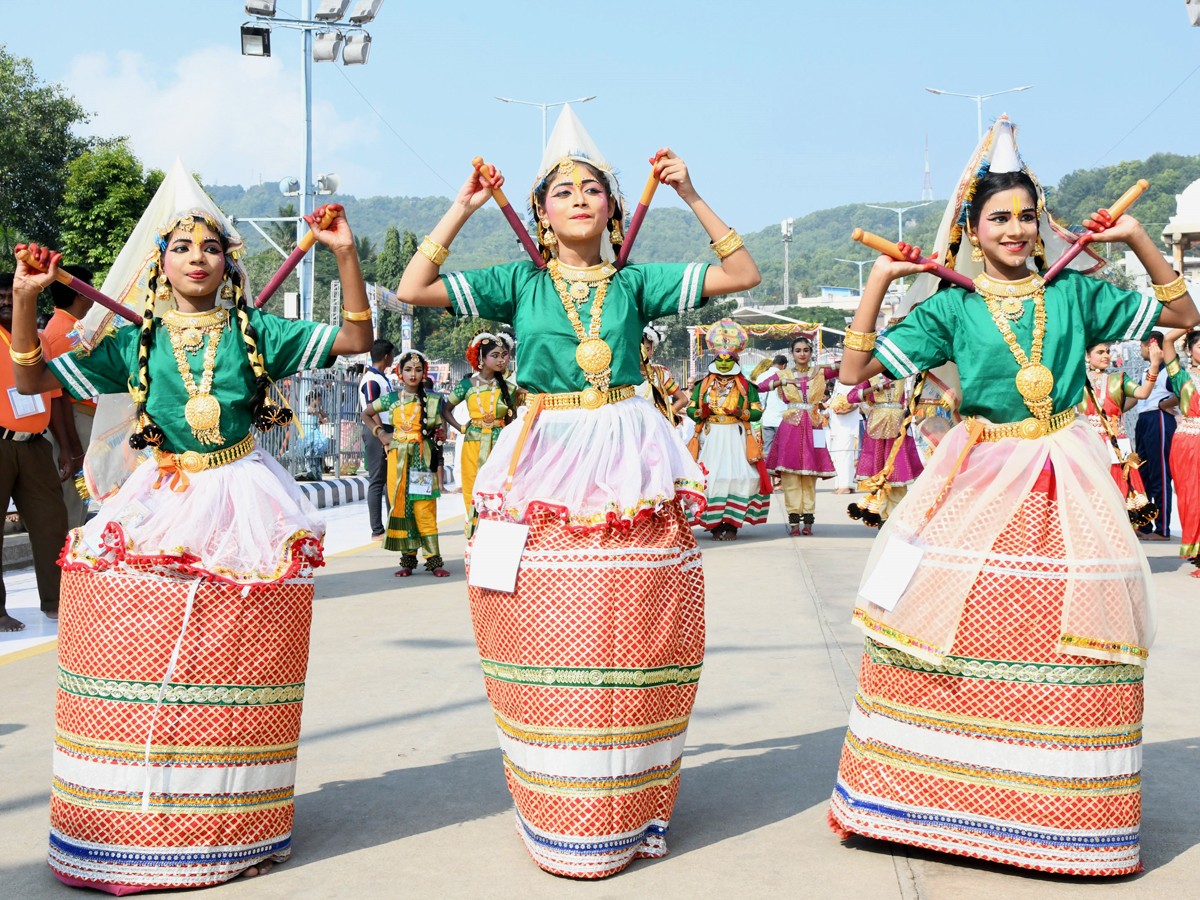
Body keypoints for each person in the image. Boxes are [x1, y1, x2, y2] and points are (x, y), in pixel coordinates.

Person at [827, 117, 1199, 875]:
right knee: (943, 629)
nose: (1017, 229)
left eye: (1028, 215)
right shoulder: (951, 308)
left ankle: (1057, 816)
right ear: (970, 229)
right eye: (999, 217)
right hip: (976, 474)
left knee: (1070, 643)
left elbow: (1185, 319)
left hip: (1068, 480)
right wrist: (879, 283)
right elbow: (853, 378)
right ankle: (922, 804)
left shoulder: (1076, 294)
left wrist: (1135, 241)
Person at [395, 104, 759, 877]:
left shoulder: (635, 282)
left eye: (592, 189)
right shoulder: (517, 282)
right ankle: (561, 802)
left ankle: (636, 802)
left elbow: (741, 274)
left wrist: (690, 192)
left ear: (616, 207)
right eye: (562, 192)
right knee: (546, 628)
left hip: (630, 454)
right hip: (545, 455)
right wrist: (462, 204)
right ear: (539, 213)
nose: (579, 200)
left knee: (637, 631)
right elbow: (412, 288)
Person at [9, 161, 373, 892]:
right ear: (160, 263)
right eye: (181, 248)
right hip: (159, 494)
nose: (196, 258)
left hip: (245, 497)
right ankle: (129, 818)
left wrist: (343, 254)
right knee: (135, 654)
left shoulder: (258, 329)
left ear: (227, 263)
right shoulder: (132, 342)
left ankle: (226, 821)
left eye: (209, 247)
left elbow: (355, 341)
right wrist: (26, 299)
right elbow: (29, 384)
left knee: (234, 658)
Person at [0, 272, 69, 632]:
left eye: (13, 297)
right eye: (2, 297)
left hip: (36, 444)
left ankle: (58, 602)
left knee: (51, 524)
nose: (7, 303)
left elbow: (57, 398)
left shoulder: (39, 339)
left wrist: (67, 448)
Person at [362, 350, 449, 577]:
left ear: (424, 373)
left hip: (422, 460)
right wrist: (380, 433)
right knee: (401, 507)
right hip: (398, 461)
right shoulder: (391, 399)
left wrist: (440, 433)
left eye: (418, 370)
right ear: (400, 372)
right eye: (408, 369)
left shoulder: (433, 400)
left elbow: (442, 429)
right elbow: (366, 413)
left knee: (424, 508)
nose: (413, 374)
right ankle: (408, 560)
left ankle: (434, 560)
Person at [687, 320, 770, 540]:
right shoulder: (702, 385)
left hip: (736, 435)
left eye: (728, 360)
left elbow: (757, 413)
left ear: (736, 360)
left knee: (738, 477)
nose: (724, 364)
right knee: (710, 478)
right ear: (714, 360)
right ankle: (714, 524)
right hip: (710, 437)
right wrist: (698, 413)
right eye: (720, 360)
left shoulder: (746, 386)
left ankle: (732, 524)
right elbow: (691, 408)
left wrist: (741, 414)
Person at [758, 336, 836, 535]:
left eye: (806, 350)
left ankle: (808, 521)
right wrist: (783, 381)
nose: (802, 353)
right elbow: (759, 386)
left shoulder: (819, 371)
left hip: (814, 425)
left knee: (810, 477)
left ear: (810, 353)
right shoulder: (782, 373)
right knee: (791, 476)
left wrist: (824, 365)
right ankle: (793, 522)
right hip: (790, 426)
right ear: (792, 354)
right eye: (798, 350)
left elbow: (846, 368)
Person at [444, 332, 519, 536]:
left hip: (500, 446)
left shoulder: (510, 388)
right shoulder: (467, 385)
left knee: (500, 488)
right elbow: (445, 409)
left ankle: (498, 532)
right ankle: (474, 532)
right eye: (495, 355)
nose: (501, 359)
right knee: (472, 487)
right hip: (472, 444)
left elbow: (513, 419)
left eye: (503, 355)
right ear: (481, 358)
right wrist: (460, 428)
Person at [1078, 340, 1161, 522]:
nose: (1106, 355)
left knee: (1120, 491)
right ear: (1086, 356)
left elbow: (1142, 393)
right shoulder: (1077, 381)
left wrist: (1154, 366)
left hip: (1117, 442)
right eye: (1100, 352)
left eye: (1107, 351)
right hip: (1088, 441)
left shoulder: (1119, 379)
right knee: (1091, 492)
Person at [42, 265, 96, 528]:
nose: (95, 293)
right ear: (81, 294)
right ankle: (67, 561)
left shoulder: (71, 327)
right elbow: (59, 395)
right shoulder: (64, 333)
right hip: (75, 420)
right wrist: (73, 448)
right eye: (91, 287)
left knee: (80, 501)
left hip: (81, 419)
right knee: (73, 502)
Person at [845, 372, 924, 523]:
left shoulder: (904, 373)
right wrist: (874, 388)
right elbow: (851, 397)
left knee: (898, 471)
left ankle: (895, 517)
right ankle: (880, 516)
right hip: (877, 428)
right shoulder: (871, 375)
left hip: (898, 426)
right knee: (879, 471)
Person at [1162, 328, 1200, 574]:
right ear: (1188, 350)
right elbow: (1167, 341)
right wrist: (1186, 323)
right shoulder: (1180, 377)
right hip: (1188, 442)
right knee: (1192, 496)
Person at [1134, 331, 1177, 540]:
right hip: (1144, 420)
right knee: (1142, 474)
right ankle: (1144, 524)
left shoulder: (1168, 371)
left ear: (1152, 346)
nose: (1141, 349)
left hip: (1158, 419)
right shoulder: (1147, 371)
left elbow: (1184, 391)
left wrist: (1164, 404)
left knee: (1160, 474)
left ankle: (1163, 529)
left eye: (1143, 345)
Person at [359, 338, 395, 539]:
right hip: (376, 431)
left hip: (385, 429)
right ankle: (377, 529)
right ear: (387, 356)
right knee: (377, 480)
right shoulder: (372, 379)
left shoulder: (381, 378)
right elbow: (371, 408)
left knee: (389, 479)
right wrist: (381, 434)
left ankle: (393, 523)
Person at [636, 324, 688, 423]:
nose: (642, 354)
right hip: (632, 426)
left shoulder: (660, 374)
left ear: (652, 351)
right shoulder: (625, 376)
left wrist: (665, 416)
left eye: (646, 349)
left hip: (655, 428)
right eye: (638, 350)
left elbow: (683, 399)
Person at [825, 380, 859, 495]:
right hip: (836, 426)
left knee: (845, 456)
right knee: (838, 457)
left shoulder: (851, 382)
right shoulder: (838, 385)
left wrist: (846, 410)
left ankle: (845, 486)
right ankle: (841, 484)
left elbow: (856, 402)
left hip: (847, 427)